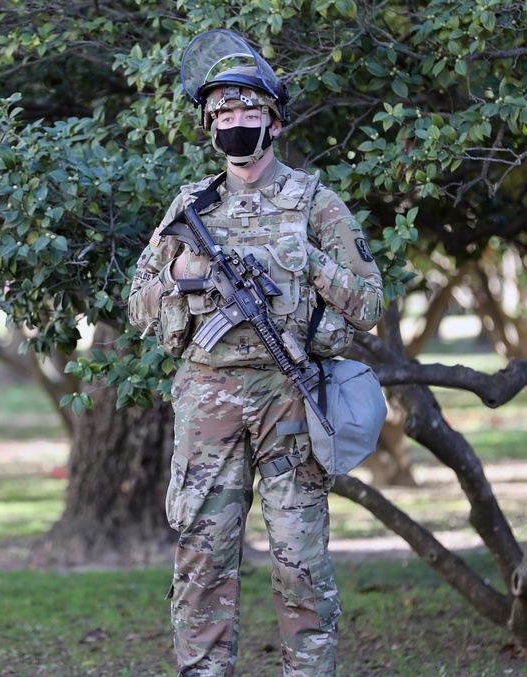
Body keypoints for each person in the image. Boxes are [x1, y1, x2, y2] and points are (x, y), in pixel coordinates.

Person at [128, 30, 384, 676]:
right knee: (203, 557)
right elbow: (137, 305)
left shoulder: (315, 203)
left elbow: (372, 307)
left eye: (247, 112)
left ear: (273, 120)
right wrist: (186, 276)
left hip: (289, 396)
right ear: (208, 128)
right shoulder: (191, 206)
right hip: (206, 398)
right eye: (221, 116)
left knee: (301, 558)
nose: (234, 125)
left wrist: (312, 265)